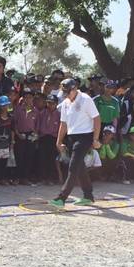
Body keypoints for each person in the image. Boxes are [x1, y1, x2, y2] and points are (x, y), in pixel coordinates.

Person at [52, 77, 100, 207]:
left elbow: (96, 119)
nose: (66, 95)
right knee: (80, 167)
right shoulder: (65, 103)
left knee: (73, 167)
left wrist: (95, 139)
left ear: (75, 89)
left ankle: (61, 198)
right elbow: (63, 124)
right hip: (71, 137)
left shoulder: (86, 99)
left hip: (85, 137)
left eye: (68, 92)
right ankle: (88, 196)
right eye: (64, 93)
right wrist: (58, 141)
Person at [33, 92, 60, 184]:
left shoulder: (59, 115)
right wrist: (37, 135)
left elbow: (61, 127)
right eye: (48, 103)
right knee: (42, 158)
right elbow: (38, 125)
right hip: (43, 137)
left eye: (52, 103)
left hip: (53, 138)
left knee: (52, 158)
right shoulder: (42, 113)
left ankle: (51, 178)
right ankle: (42, 178)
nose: (50, 105)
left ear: (56, 104)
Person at [11, 89, 36, 185]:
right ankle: (17, 177)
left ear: (32, 98)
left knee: (29, 156)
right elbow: (14, 123)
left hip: (31, 135)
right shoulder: (18, 109)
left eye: (30, 97)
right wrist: (17, 134)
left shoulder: (35, 111)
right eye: (26, 97)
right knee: (19, 156)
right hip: (20, 134)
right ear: (23, 98)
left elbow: (37, 125)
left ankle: (25, 178)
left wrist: (35, 135)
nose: (28, 99)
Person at [0, 95, 15, 185]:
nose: (5, 107)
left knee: (5, 161)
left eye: (6, 105)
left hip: (6, 143)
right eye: (3, 106)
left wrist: (12, 142)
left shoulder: (11, 117)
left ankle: (3, 178)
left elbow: (12, 130)